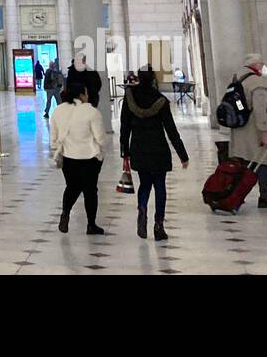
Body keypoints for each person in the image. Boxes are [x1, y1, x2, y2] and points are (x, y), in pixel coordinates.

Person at [119, 66, 189, 240]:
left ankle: (142, 211)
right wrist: (183, 155)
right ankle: (159, 224)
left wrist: (125, 151)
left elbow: (124, 127)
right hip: (158, 148)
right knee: (160, 186)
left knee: (144, 184)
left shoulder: (129, 98)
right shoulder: (160, 101)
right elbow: (171, 130)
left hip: (138, 148)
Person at [228, 54, 267, 208]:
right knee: (266, 161)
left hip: (240, 128)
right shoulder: (256, 82)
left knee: (244, 163)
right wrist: (265, 131)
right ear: (257, 65)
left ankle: (236, 193)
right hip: (254, 130)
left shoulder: (237, 78)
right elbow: (260, 109)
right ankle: (265, 196)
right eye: (261, 64)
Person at [50, 82, 106, 235]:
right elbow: (101, 139)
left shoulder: (57, 111)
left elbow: (54, 138)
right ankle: (91, 225)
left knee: (72, 187)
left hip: (68, 158)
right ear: (82, 95)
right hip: (89, 159)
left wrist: (57, 150)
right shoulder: (91, 112)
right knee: (90, 191)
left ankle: (65, 212)